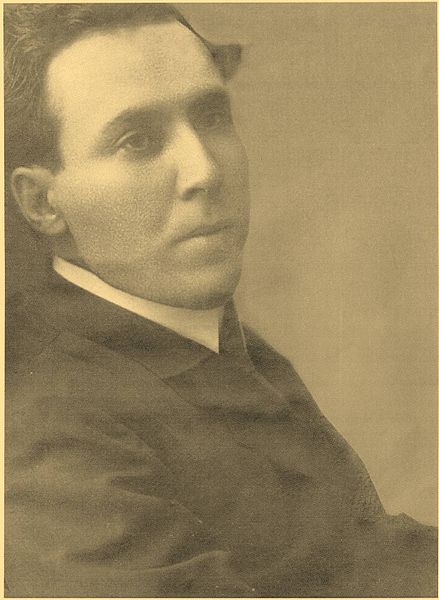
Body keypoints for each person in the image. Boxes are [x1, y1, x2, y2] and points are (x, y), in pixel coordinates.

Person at [4, 3, 437, 597]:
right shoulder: (42, 431)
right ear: (41, 202)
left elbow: (368, 556)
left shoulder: (200, 336)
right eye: (138, 141)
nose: (205, 170)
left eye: (211, 117)